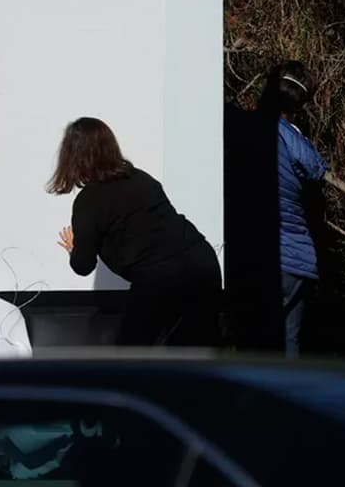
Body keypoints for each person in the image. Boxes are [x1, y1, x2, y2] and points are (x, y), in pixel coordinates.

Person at [47, 117, 221, 346]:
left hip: (159, 277)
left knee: (132, 353)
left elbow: (83, 265)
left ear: (73, 155)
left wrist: (74, 248)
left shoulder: (89, 201)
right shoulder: (141, 178)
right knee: (195, 352)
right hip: (202, 262)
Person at [259, 62, 328, 357]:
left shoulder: (255, 130)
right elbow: (316, 171)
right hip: (299, 260)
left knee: (256, 350)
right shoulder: (299, 143)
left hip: (264, 259)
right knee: (289, 348)